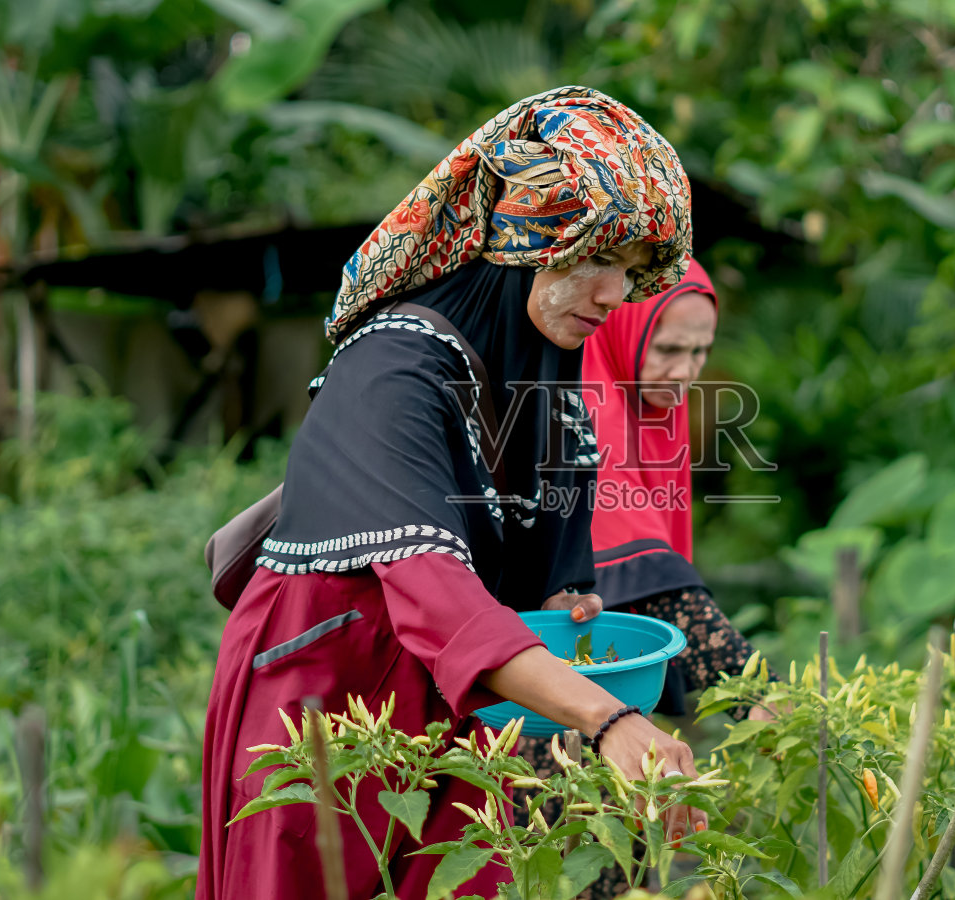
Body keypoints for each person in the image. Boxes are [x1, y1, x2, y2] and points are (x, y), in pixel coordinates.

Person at [197, 86, 705, 900]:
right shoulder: (393, 370)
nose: (614, 296)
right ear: (523, 238)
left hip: (457, 716)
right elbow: (434, 595)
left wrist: (575, 613)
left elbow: (553, 578)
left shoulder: (549, 388)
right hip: (322, 715)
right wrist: (606, 718)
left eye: (631, 270)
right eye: (593, 258)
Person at [511, 258, 776, 898]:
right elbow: (650, 581)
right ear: (624, 332)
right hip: (544, 713)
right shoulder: (584, 413)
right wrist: (759, 698)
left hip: (611, 721)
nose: (685, 372)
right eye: (669, 349)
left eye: (700, 353)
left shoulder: (656, 421)